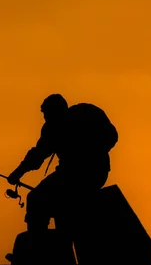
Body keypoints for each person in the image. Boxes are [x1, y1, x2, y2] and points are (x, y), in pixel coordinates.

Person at [7, 94, 118, 237]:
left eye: (47, 114)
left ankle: (37, 245)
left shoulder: (64, 123)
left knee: (36, 200)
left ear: (55, 111)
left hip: (81, 175)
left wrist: (17, 173)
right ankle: (59, 248)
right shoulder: (84, 113)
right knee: (61, 209)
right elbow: (38, 155)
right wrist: (18, 172)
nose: (46, 118)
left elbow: (37, 156)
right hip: (94, 173)